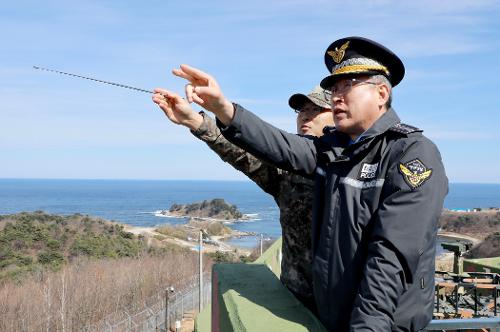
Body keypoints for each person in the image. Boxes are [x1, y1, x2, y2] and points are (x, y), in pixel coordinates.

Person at [161, 36, 449, 331]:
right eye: (334, 88)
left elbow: (391, 255)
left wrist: (368, 327)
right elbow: (277, 145)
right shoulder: (332, 152)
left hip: (382, 323)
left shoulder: (411, 153)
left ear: (382, 93)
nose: (337, 95)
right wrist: (222, 109)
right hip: (327, 316)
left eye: (348, 85)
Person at [152, 85, 334, 310]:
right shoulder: (287, 172)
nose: (306, 115)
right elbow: (243, 152)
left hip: (347, 306)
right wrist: (195, 122)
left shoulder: (360, 165)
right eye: (302, 110)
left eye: (317, 109)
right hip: (296, 300)